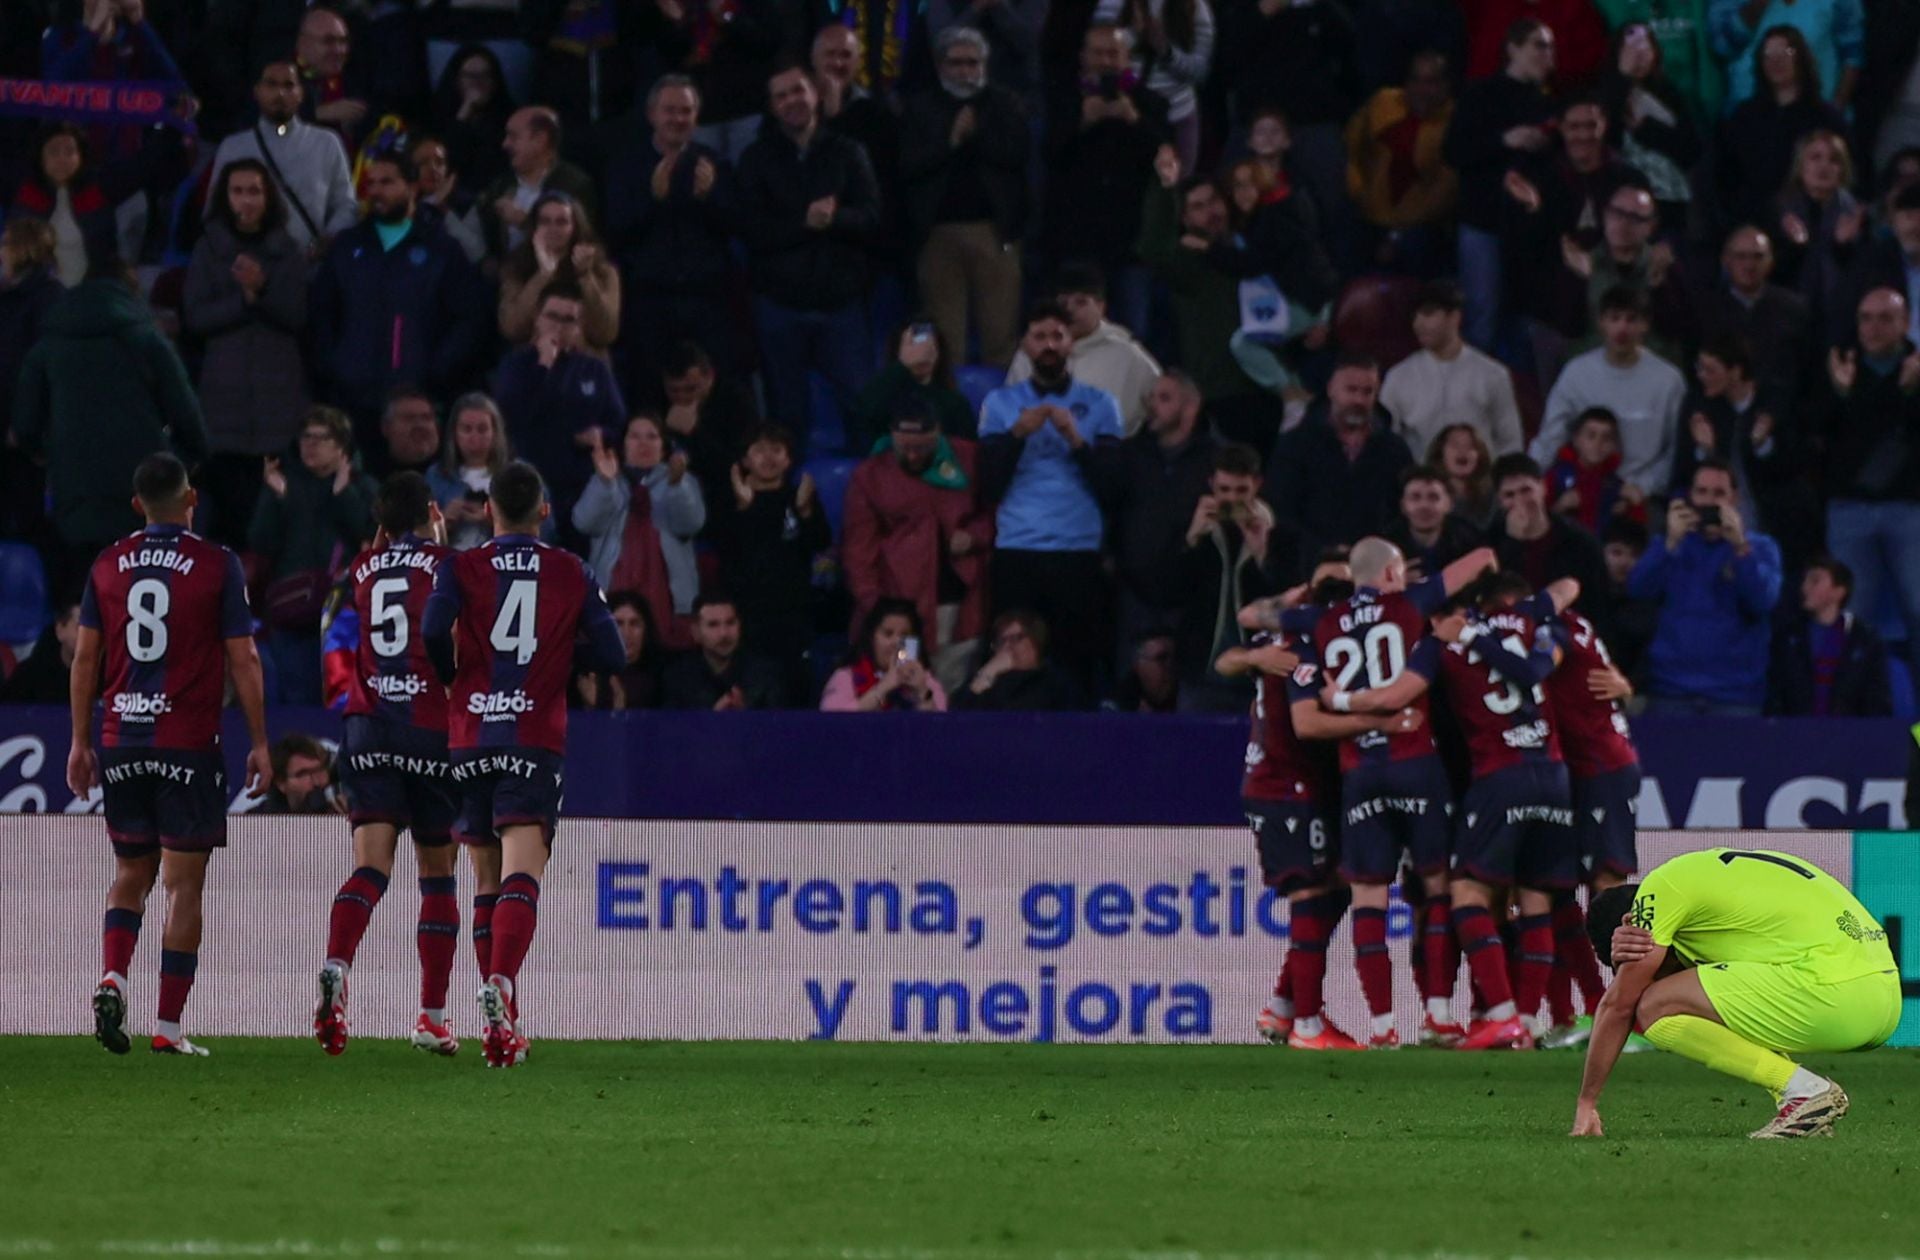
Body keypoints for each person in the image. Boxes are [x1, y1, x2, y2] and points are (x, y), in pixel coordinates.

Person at [68, 453, 271, 1058]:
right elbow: (244, 659)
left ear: (137, 506)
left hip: (122, 738)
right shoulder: (215, 564)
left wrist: (80, 741)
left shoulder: (107, 565)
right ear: (192, 500)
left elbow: (85, 660)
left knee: (131, 873)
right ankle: (169, 1026)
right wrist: (260, 740)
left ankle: (113, 975)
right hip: (186, 743)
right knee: (184, 886)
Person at [423, 461, 624, 1068]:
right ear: (543, 510)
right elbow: (613, 652)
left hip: (470, 736)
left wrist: (455, 676)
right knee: (522, 875)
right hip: (532, 736)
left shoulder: (462, 566)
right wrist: (560, 652)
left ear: (489, 511)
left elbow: (433, 627)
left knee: (485, 876)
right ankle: (503, 987)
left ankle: (500, 1026)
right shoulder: (569, 570)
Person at [1336, 570, 1585, 1047]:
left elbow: (1398, 695)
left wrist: (1340, 698)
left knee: (1466, 894)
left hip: (1499, 777)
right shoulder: (1522, 620)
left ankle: (1501, 1014)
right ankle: (1529, 1023)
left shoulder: (1439, 646)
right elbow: (1564, 588)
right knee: (1534, 899)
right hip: (1553, 776)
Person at [1295, 538, 1498, 1049]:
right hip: (1417, 766)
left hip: (1359, 771)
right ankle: (1437, 1015)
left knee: (1369, 898)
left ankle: (1382, 1028)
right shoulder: (1409, 604)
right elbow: (1480, 560)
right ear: (1390, 571)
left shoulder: (1320, 621)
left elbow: (1255, 615)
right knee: (1436, 888)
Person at [1576, 849, 1898, 1140]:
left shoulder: (1660, 893)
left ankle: (1806, 1091)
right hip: (1882, 997)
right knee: (1719, 993)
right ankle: (1802, 1104)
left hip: (1837, 995)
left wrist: (1587, 1102)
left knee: (1655, 1005)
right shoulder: (1711, 884)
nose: (1658, 977)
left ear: (1633, 924)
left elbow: (1619, 1005)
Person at [1228, 561, 1413, 1049]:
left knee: (1333, 890)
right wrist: (1380, 724)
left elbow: (1232, 654)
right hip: (1285, 789)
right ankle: (1307, 1026)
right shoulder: (1306, 651)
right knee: (1312, 897)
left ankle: (1284, 1006)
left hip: (1295, 786)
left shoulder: (1281, 645)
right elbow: (1308, 724)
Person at [313, 472, 462, 1057]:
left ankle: (336, 965)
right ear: (432, 510)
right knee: (437, 871)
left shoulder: (362, 571)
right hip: (428, 727)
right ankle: (430, 1016)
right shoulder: (450, 565)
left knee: (371, 867)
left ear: (380, 523)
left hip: (367, 726)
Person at [13, 256, 206, 579]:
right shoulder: (147, 339)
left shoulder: (51, 342)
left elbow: (24, 424)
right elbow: (188, 417)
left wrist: (51, 455)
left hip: (75, 499)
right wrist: (183, 461)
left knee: (88, 603)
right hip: (144, 497)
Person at [977, 301, 1125, 692]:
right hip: (1017, 548)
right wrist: (1015, 436)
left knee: (1075, 663)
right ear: (1024, 344)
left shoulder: (1101, 404)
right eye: (1039, 336)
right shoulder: (999, 405)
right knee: (1012, 664)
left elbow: (1113, 488)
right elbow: (988, 485)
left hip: (1077, 550)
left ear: (1071, 344)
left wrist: (1076, 440)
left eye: (1057, 336)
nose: (1049, 345)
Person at [736, 60, 881, 450]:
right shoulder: (755, 159)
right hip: (780, 307)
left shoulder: (848, 151)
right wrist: (805, 222)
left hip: (842, 305)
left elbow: (871, 218)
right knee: (786, 416)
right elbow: (751, 231)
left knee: (863, 410)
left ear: (816, 94)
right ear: (771, 106)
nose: (791, 101)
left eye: (798, 90)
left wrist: (836, 218)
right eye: (781, 96)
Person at [307, 149, 487, 445]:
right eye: (371, 183)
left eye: (387, 182)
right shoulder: (347, 247)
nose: (376, 191)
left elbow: (467, 319)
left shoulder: (442, 249)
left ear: (412, 186)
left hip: (417, 401)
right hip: (353, 399)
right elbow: (322, 313)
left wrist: (437, 369)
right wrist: (334, 365)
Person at [1536, 590, 1643, 1048]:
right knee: (1557, 889)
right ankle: (1575, 1014)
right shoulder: (1577, 620)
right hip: (1578, 771)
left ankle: (1631, 1018)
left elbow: (1540, 664)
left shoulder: (1552, 628)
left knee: (1609, 890)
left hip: (1600, 768)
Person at [185, 158, 310, 549]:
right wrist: (245, 300)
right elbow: (196, 316)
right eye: (238, 191)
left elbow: (298, 314)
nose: (246, 200)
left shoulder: (287, 249)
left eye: (254, 190)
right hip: (224, 403)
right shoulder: (208, 249)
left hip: (278, 403)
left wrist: (264, 288)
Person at [842, 401, 994, 696]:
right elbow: (858, 553)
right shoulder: (871, 475)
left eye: (922, 448)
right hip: (902, 613)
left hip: (959, 608)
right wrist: (879, 615)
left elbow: (997, 515)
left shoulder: (970, 459)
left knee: (950, 692)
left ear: (939, 435)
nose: (912, 455)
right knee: (902, 689)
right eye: (904, 448)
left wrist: (974, 536)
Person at [900, 27, 1028, 370]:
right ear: (941, 66)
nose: (964, 71)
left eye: (972, 63)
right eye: (955, 63)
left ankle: (1000, 419)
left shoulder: (1006, 103)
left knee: (1001, 341)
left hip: (994, 231)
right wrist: (950, 141)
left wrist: (977, 134)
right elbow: (908, 166)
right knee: (945, 346)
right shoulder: (919, 108)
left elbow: (1017, 155)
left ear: (985, 65)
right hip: (937, 235)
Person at [604, 76, 738, 384]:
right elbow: (616, 233)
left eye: (686, 111)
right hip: (649, 302)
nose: (678, 119)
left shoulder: (714, 164)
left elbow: (737, 226)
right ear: (652, 114)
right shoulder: (627, 165)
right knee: (648, 388)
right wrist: (654, 200)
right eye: (670, 110)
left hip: (706, 301)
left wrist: (709, 199)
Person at [1627, 459, 1783, 715]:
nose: (1709, 501)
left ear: (1735, 498)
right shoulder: (1669, 544)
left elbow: (1763, 601)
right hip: (1671, 691)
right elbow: (1638, 589)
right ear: (1690, 496)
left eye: (1719, 493)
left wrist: (1741, 549)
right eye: (1702, 492)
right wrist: (1669, 544)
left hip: (1735, 695)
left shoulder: (1761, 548)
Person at [1043, 23, 1168, 339]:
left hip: (1132, 242)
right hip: (1077, 241)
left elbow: (1167, 162)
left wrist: (1134, 121)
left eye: (1113, 53)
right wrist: (1083, 121)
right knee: (1074, 334)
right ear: (1084, 57)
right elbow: (1048, 155)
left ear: (1127, 58)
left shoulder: (1150, 102)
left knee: (1133, 335)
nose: (1106, 61)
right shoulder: (1063, 98)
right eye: (1098, 53)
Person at [1443, 17, 1558, 358]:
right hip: (1484, 223)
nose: (1548, 54)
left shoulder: (1547, 102)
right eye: (1539, 45)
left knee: (1527, 323)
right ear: (1513, 48)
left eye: (1551, 47)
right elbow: (1454, 151)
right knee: (1482, 317)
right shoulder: (1480, 94)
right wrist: (1505, 140)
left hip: (1530, 229)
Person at [248, 407, 378, 705]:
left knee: (341, 696)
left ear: (342, 445)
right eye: (306, 437)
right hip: (291, 608)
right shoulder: (284, 484)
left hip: (343, 613)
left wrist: (343, 494)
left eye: (322, 438)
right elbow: (260, 542)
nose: (311, 444)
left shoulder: (363, 486)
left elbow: (369, 536)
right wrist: (280, 499)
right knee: (297, 697)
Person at [1820, 288, 1920, 658]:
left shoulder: (1916, 370)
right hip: (1849, 509)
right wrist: (1842, 395)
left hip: (1911, 509)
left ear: (1906, 323)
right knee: (1849, 617)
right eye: (1866, 318)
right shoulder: (1838, 366)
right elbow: (1823, 435)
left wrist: (1912, 394)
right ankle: (1851, 712)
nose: (1873, 328)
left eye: (1885, 318)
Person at [1105, 370, 1221, 675]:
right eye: (1151, 398)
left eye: (1164, 398)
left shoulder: (1217, 459)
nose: (1152, 406)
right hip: (1134, 595)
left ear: (1191, 407)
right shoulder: (1130, 454)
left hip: (1193, 598)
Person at [1532, 286, 1686, 503]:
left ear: (1645, 325)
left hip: (1643, 496)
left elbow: (1674, 452)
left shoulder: (1669, 380)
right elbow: (1551, 436)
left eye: (1631, 319)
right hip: (1582, 490)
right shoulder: (1576, 373)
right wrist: (1530, 476)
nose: (1622, 328)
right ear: (1601, 322)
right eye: (1614, 318)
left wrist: (1642, 488)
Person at [712, 425, 833, 699]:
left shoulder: (799, 496)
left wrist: (805, 513)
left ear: (789, 459)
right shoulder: (730, 500)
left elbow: (819, 545)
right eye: (759, 450)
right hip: (747, 619)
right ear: (745, 459)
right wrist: (745, 510)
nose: (768, 458)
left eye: (776, 450)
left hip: (793, 616)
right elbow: (731, 553)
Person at [493, 284, 628, 522]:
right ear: (537, 318)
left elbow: (618, 423)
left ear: (579, 327)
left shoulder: (594, 368)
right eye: (552, 316)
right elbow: (511, 415)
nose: (559, 326)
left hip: (581, 487)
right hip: (529, 484)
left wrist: (600, 433)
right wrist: (543, 366)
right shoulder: (515, 365)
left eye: (569, 320)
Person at [1264, 355, 1412, 563]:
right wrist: (1322, 551)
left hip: (1376, 569)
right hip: (1307, 568)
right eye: (1351, 390)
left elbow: (1403, 512)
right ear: (1331, 389)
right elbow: (1281, 509)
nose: (1359, 400)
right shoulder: (1295, 445)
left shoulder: (1395, 450)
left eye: (1367, 392)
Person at [202, 61, 358, 255]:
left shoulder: (326, 143)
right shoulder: (234, 147)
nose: (280, 94)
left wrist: (327, 239)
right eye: (271, 84)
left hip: (309, 269)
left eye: (288, 85)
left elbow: (346, 205)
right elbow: (214, 213)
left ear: (301, 93)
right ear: (257, 92)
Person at [574, 414, 706, 641]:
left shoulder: (682, 480)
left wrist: (677, 487)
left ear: (664, 446)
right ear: (623, 444)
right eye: (634, 436)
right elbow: (584, 523)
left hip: (667, 596)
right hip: (612, 591)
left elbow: (691, 524)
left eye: (652, 437)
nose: (643, 443)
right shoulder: (607, 477)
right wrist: (605, 484)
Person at [1172, 444, 1279, 712]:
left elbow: (1286, 599)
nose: (1232, 499)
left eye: (1241, 490)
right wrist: (1192, 538)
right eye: (1224, 489)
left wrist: (1261, 554)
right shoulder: (1190, 528)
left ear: (1257, 484)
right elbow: (1169, 590)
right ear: (1211, 485)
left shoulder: (1280, 534)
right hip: (1201, 672)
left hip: (1258, 674)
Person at [1716, 25, 1848, 231]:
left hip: (1812, 224)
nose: (1776, 60)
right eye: (1769, 53)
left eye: (1786, 52)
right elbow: (1725, 175)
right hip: (1751, 223)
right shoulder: (1744, 116)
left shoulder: (1825, 117)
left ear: (1801, 58)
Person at [1009, 263, 1163, 437]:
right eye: (1062, 302)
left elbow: (1163, 404)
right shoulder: (1031, 351)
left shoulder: (1128, 355)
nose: (1069, 309)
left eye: (1081, 302)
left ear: (1100, 307)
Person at [1378, 282, 1524, 459]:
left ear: (1454, 317)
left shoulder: (1493, 375)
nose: (1419, 324)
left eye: (1428, 314)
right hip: (1422, 481)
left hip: (1481, 483)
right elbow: (1384, 442)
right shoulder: (1398, 377)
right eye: (1415, 316)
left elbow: (1511, 443)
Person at [1342, 50, 1458, 272]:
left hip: (1421, 229)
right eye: (1415, 80)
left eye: (1431, 81)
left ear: (1446, 85)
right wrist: (1357, 191)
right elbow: (1352, 144)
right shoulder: (1383, 102)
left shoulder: (1455, 122)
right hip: (1367, 217)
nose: (1421, 90)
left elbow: (1443, 195)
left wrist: (1396, 235)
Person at [1560, 183, 1694, 360]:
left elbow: (1680, 331)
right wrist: (1579, 280)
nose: (1623, 224)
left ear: (1651, 226)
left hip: (1651, 368)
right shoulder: (1583, 263)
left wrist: (1659, 286)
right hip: (1595, 368)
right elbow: (1568, 329)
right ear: (1605, 215)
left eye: (1635, 218)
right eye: (1617, 213)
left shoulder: (1664, 265)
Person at [1487, 453, 1611, 634]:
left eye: (1526, 490)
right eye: (1509, 495)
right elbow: (1491, 599)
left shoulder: (1580, 542)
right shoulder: (1489, 544)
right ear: (1499, 501)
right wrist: (1513, 544)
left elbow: (1599, 607)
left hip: (1569, 636)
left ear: (1543, 487)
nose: (1519, 501)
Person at [1696, 226, 1814, 413]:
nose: (1749, 265)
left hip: (1784, 418)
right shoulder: (1705, 310)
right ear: (1726, 260)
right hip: (1720, 417)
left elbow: (1807, 369)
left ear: (1771, 261)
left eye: (1758, 257)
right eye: (1741, 256)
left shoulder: (1794, 309)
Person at [1598, 20, 1700, 235]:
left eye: (1645, 47)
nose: (1639, 55)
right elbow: (1606, 137)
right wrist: (1623, 80)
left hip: (1669, 198)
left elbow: (1692, 149)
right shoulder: (1604, 93)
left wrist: (1648, 129)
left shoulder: (1670, 95)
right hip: (1621, 197)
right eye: (1632, 48)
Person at [1091, 0, 1214, 173]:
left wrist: (1166, 51)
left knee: (1176, 189)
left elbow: (1199, 71)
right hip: (1128, 111)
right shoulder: (1112, 3)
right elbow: (1099, 51)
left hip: (1178, 113)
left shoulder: (1194, 6)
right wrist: (1135, 34)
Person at [1768, 557, 1893, 717]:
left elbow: (1877, 701)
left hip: (1851, 737)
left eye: (1814, 581)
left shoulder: (1866, 641)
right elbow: (1776, 696)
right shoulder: (1788, 638)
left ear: (1838, 591)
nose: (1804, 587)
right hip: (1796, 735)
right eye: (1805, 580)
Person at [497, 192, 620, 354]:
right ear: (534, 227)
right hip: (533, 361)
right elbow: (512, 328)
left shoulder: (603, 272)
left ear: (575, 227)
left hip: (585, 362)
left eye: (562, 222)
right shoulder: (516, 268)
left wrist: (585, 276)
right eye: (545, 222)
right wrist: (543, 275)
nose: (553, 229)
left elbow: (605, 333)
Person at [0, 218, 60, 549]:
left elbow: (39, 370)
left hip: (25, 436)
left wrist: (25, 424)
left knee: (28, 520)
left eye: (7, 242)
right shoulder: (8, 296)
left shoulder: (48, 298)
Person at [654, 341, 762, 519]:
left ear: (709, 377)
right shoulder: (656, 401)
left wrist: (695, 433)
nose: (682, 398)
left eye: (690, 389)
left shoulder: (737, 402)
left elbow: (739, 467)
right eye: (674, 390)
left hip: (723, 494)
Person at [480, 106, 599, 260]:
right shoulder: (500, 186)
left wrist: (523, 222)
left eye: (513, 137)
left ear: (540, 140)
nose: (505, 144)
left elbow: (580, 242)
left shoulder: (574, 185)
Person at [851, 318, 978, 452]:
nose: (922, 353)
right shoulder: (882, 397)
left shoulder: (955, 403)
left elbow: (967, 455)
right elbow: (862, 421)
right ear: (898, 351)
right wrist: (902, 367)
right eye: (913, 346)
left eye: (928, 346)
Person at [661, 592, 789, 711]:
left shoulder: (766, 675)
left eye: (730, 623)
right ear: (696, 632)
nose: (724, 634)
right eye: (713, 625)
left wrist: (747, 718)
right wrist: (713, 720)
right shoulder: (678, 679)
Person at [820, 599, 950, 712]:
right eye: (888, 634)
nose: (896, 642)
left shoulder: (924, 679)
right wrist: (883, 688)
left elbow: (939, 729)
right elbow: (831, 721)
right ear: (871, 638)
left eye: (904, 635)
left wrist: (922, 692)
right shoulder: (846, 676)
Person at [428, 393, 514, 551]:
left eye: (482, 430)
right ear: (454, 433)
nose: (474, 437)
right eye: (467, 429)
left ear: (495, 432)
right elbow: (417, 540)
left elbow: (544, 531)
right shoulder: (436, 476)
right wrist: (444, 521)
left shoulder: (517, 475)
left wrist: (495, 520)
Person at [953, 610, 1082, 710]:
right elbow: (958, 714)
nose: (1006, 647)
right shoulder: (988, 679)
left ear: (1035, 641)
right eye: (1001, 641)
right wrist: (986, 674)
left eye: (1015, 639)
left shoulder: (1053, 682)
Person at [430, 44, 514, 192]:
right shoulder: (436, 115)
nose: (478, 83)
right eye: (470, 76)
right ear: (457, 80)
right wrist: (464, 113)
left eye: (485, 76)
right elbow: (444, 160)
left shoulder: (512, 119)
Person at [1384, 464, 1486, 581]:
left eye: (1433, 497)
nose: (1424, 506)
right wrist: (1393, 585)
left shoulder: (1470, 543)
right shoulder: (1385, 546)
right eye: (1415, 497)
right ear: (1403, 506)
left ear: (1449, 504)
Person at [294, 7, 373, 155]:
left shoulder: (354, 80)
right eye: (328, 41)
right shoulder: (283, 79)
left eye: (343, 41)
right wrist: (317, 114)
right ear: (302, 43)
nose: (339, 50)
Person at [1545, 408, 1637, 536]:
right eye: (1591, 436)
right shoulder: (1555, 476)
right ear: (1576, 440)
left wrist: (1630, 508)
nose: (1598, 444)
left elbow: (1633, 536)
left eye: (1606, 438)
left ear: (1614, 445)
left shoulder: (1616, 484)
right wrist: (1559, 507)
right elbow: (1536, 522)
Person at [573, 594, 661, 712]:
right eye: (618, 624)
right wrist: (590, 706)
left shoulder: (662, 679)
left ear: (646, 630)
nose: (626, 633)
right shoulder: (587, 676)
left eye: (634, 624)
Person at [412, 134, 488, 265]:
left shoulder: (464, 202)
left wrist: (444, 211)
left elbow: (476, 252)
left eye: (439, 162)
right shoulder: (402, 202)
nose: (433, 169)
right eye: (423, 163)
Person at [0, 601, 80, 705]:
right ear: (60, 630)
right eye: (80, 628)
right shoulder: (29, 677)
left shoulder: (105, 675)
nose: (88, 636)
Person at [1429, 423, 1498, 529]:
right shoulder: (1426, 494)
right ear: (1440, 453)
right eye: (1455, 445)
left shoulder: (1493, 498)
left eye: (1470, 446)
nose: (1462, 451)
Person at [254, 733, 340, 815]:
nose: (316, 782)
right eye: (303, 774)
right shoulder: (259, 823)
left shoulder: (345, 808)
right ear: (281, 783)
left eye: (319, 770)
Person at [377, 389, 442, 479]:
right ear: (386, 427)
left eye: (426, 418)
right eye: (409, 418)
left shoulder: (460, 475)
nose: (420, 425)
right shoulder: (369, 484)